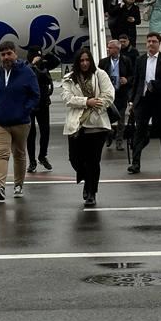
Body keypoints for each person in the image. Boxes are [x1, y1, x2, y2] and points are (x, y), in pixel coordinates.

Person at [0, 40, 40, 200]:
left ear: (15, 54)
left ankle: (18, 184)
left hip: (20, 122)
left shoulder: (27, 72)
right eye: (3, 54)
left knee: (19, 154)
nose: (6, 57)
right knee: (1, 154)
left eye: (9, 53)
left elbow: (35, 95)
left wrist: (24, 110)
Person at [60, 48, 115, 207]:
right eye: (81, 60)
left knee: (93, 161)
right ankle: (86, 178)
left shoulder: (100, 74)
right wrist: (86, 102)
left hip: (97, 124)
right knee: (74, 159)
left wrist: (96, 106)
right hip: (77, 124)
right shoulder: (69, 78)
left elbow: (109, 94)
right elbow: (67, 98)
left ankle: (91, 192)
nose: (85, 63)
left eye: (87, 60)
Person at [127, 32, 161, 174]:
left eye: (154, 41)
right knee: (139, 132)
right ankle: (136, 164)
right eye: (148, 41)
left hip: (160, 101)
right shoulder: (140, 60)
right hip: (143, 101)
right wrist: (131, 101)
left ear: (159, 43)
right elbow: (136, 81)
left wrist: (156, 86)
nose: (150, 44)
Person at [25, 45, 59, 174]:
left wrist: (48, 55)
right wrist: (33, 64)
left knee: (45, 131)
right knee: (30, 133)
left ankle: (42, 155)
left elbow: (56, 62)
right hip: (30, 104)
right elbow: (24, 74)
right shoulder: (26, 67)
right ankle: (32, 160)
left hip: (43, 102)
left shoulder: (44, 66)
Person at [98, 39, 132, 150]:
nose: (108, 49)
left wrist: (127, 80)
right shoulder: (103, 62)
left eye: (110, 47)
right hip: (107, 95)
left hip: (121, 94)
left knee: (121, 119)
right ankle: (109, 134)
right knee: (106, 117)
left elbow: (133, 75)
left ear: (117, 49)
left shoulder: (126, 61)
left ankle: (119, 141)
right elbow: (98, 77)